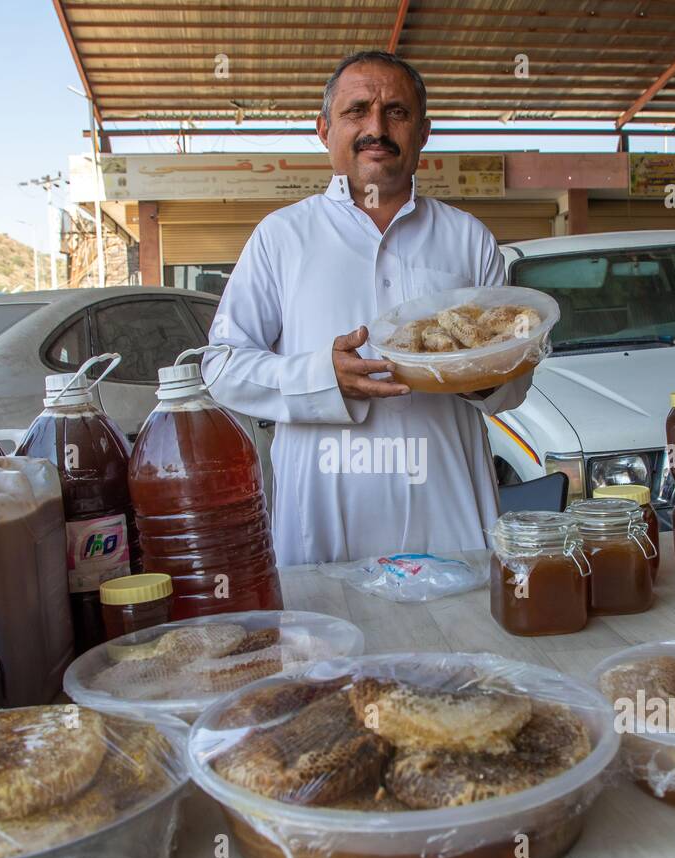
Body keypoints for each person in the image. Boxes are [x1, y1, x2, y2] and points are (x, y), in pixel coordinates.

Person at [205, 50, 530, 566]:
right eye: (356, 111)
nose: (376, 128)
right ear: (323, 129)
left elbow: (513, 384)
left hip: (447, 510)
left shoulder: (468, 239)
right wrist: (319, 377)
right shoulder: (282, 237)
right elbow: (222, 365)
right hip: (322, 519)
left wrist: (480, 374)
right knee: (329, 639)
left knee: (457, 640)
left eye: (396, 112)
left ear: (423, 133)